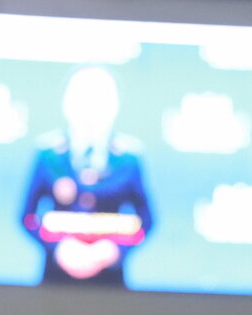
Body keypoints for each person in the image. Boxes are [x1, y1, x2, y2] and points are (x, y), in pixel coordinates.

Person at [20, 66, 154, 286]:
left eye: (101, 99)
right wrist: (58, 247)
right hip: (55, 278)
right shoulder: (48, 154)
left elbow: (147, 222)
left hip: (111, 280)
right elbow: (27, 218)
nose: (91, 107)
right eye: (82, 97)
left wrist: (114, 250)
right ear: (67, 103)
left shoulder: (129, 158)